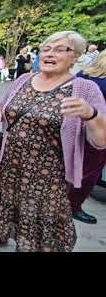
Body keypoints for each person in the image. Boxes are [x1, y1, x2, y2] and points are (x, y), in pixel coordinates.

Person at [0, 31, 106, 252]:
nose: (50, 53)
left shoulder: (85, 89)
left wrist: (91, 115)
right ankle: (0, 233)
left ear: (75, 56)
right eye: (46, 48)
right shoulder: (23, 80)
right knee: (7, 201)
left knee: (41, 221)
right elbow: (4, 108)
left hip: (49, 174)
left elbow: (101, 141)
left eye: (59, 49)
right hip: (10, 163)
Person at [67, 50, 106, 224]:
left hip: (75, 128)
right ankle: (73, 206)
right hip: (96, 131)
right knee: (89, 172)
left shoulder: (84, 75)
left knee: (76, 167)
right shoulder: (100, 83)